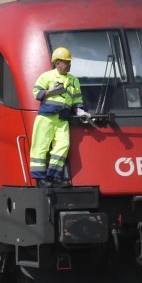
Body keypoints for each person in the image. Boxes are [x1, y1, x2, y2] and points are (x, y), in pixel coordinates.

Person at [29, 46, 90, 187]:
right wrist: (51, 92)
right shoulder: (47, 76)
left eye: (69, 62)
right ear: (57, 63)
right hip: (46, 118)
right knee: (40, 147)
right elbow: (36, 93)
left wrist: (80, 111)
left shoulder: (74, 80)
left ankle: (54, 176)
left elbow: (77, 100)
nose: (69, 64)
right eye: (66, 62)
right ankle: (40, 179)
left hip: (62, 119)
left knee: (63, 146)